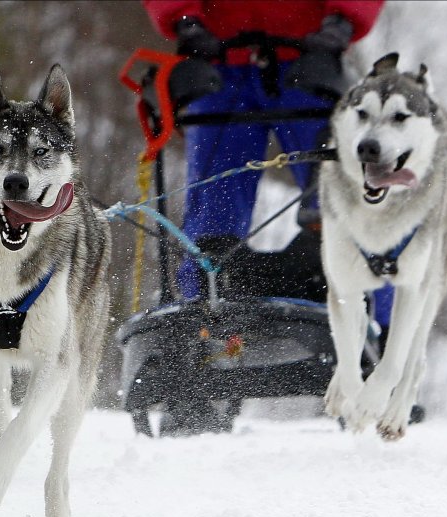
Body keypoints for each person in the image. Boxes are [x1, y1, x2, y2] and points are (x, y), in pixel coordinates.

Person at [142, 0, 391, 329]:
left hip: (311, 55)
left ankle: (380, 329)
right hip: (219, 59)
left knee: (343, 201)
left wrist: (341, 21)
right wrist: (185, 19)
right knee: (212, 213)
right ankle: (200, 319)